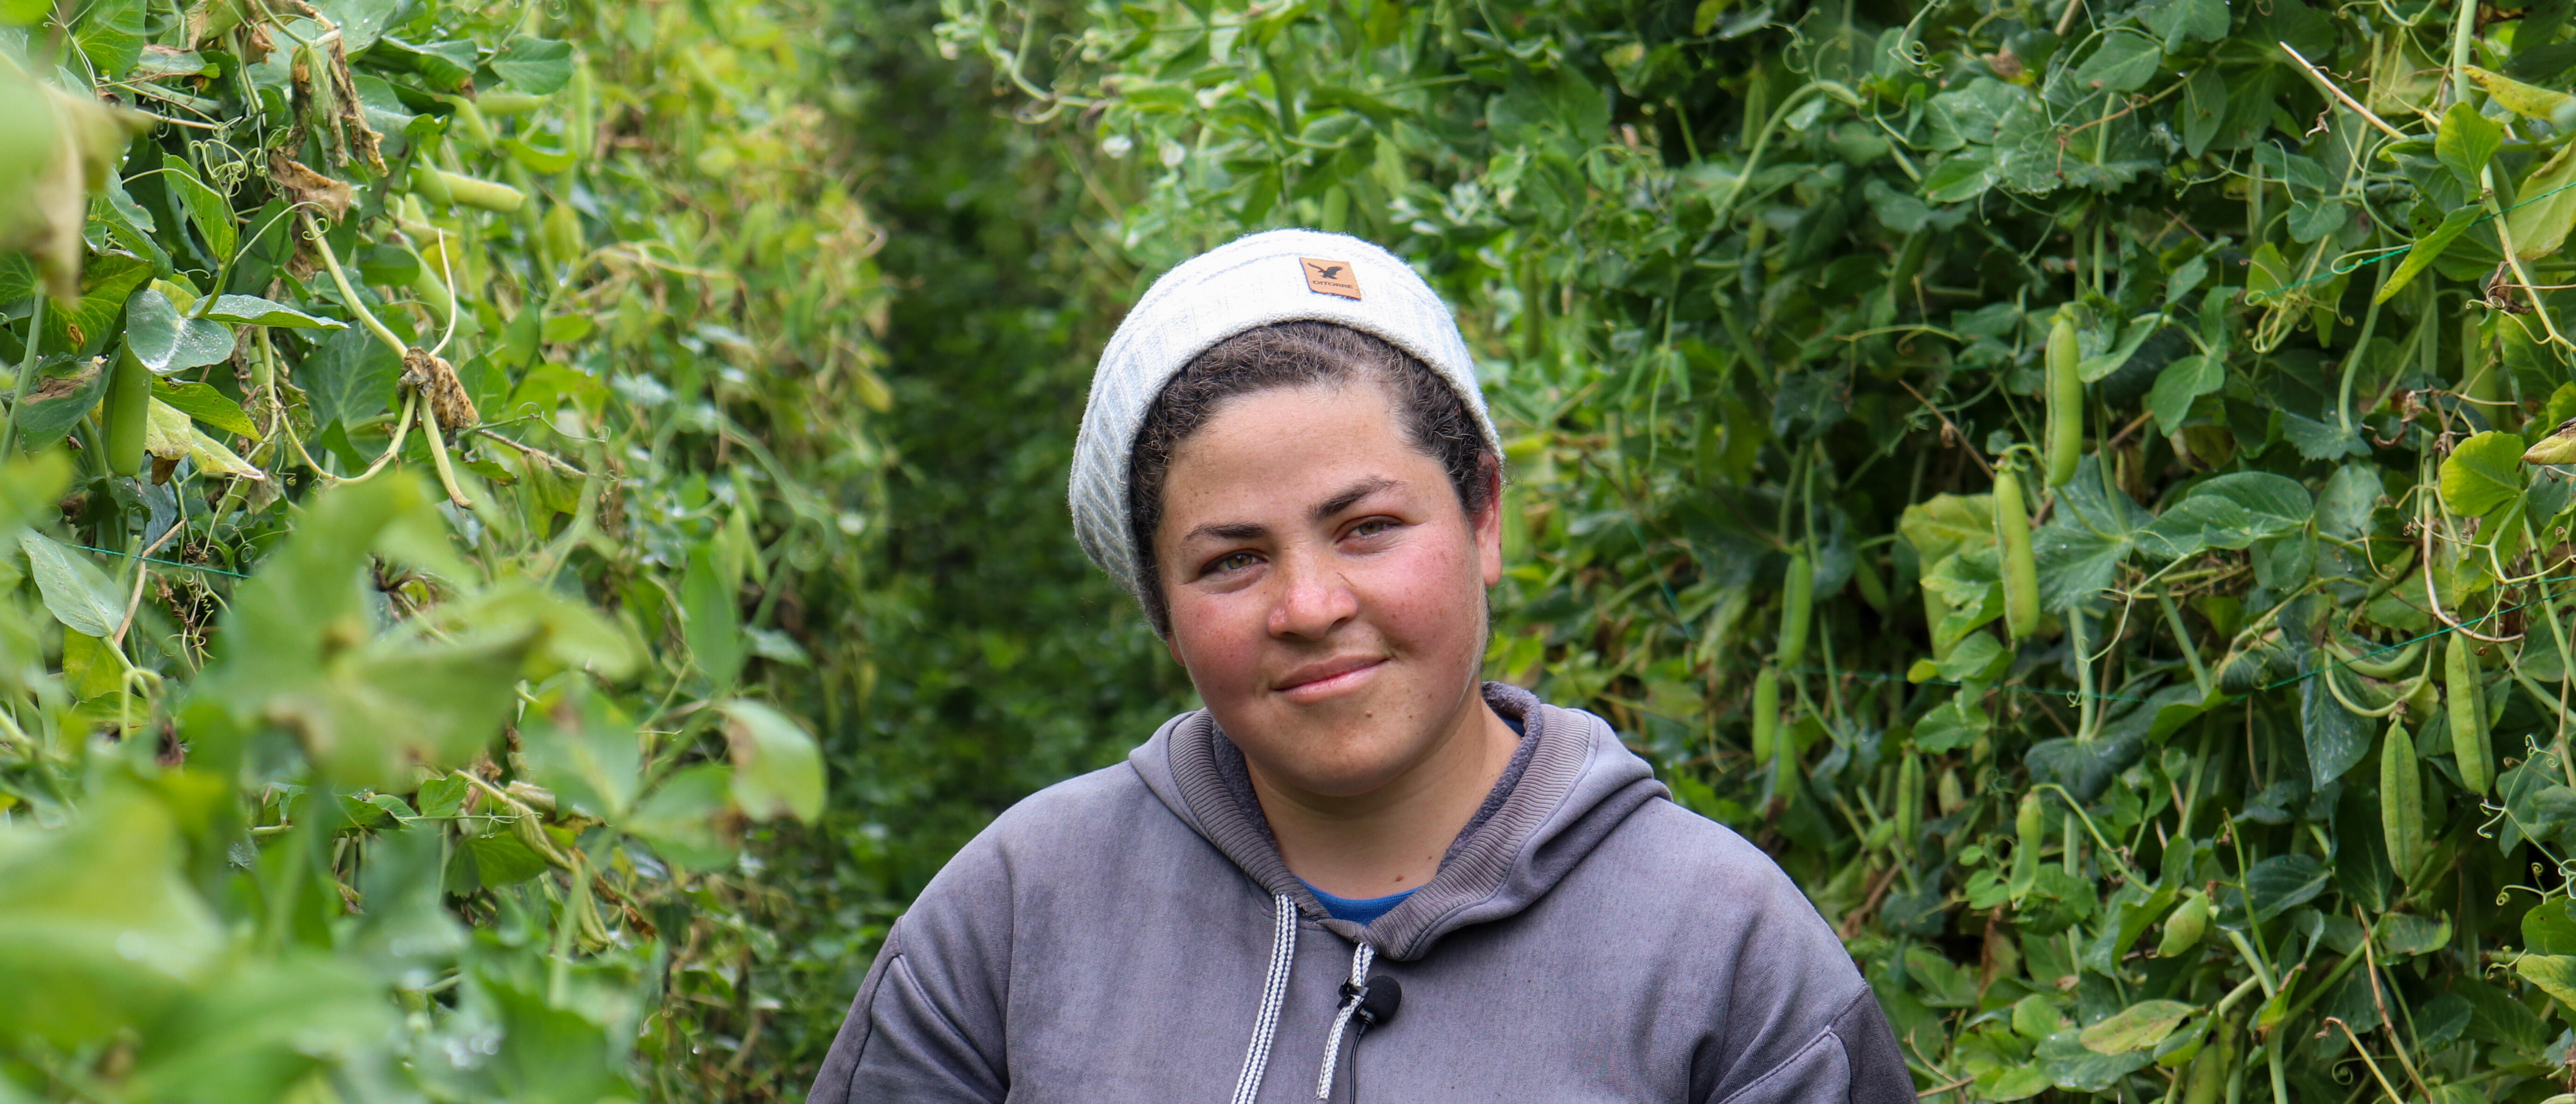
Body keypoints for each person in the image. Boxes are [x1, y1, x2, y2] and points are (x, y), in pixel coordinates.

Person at [808, 229, 1914, 1103]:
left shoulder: (1722, 943)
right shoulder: (1017, 908)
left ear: (1481, 513)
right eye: (1232, 559)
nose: (1309, 605)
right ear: (1160, 604)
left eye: (1368, 526)